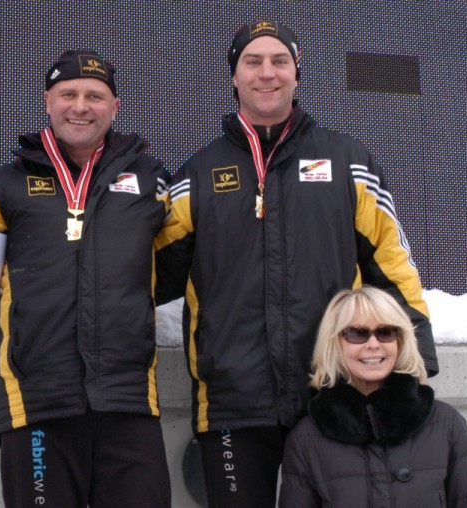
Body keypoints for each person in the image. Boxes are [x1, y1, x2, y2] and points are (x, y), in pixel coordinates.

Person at [154, 20, 439, 507]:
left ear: (297, 72)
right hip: (232, 402)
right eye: (253, 61)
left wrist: (417, 364)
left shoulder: (348, 161)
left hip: (335, 393)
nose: (267, 73)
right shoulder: (197, 175)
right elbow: (144, 276)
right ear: (234, 76)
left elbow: (392, 267)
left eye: (279, 61)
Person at [0, 50, 171, 507]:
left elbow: (177, 265)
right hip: (35, 401)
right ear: (47, 102)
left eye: (95, 96)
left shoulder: (152, 181)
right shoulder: (4, 185)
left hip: (128, 400)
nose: (80, 105)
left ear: (115, 107)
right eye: (68, 94)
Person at [279, 287, 467, 507]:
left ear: (400, 341)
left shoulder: (446, 424)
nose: (373, 344)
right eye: (357, 333)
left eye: (386, 332)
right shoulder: (306, 438)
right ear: (335, 343)